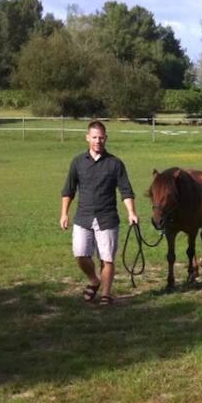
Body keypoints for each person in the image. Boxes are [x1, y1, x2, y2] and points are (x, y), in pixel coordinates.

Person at [59, 120, 139, 305]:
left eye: (101, 137)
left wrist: (131, 212)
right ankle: (94, 280)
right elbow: (68, 190)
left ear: (106, 138)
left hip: (107, 218)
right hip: (83, 217)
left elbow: (126, 190)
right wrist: (64, 214)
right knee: (80, 255)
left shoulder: (115, 164)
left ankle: (106, 293)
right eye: (94, 137)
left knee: (107, 258)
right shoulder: (77, 162)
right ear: (87, 138)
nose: (98, 141)